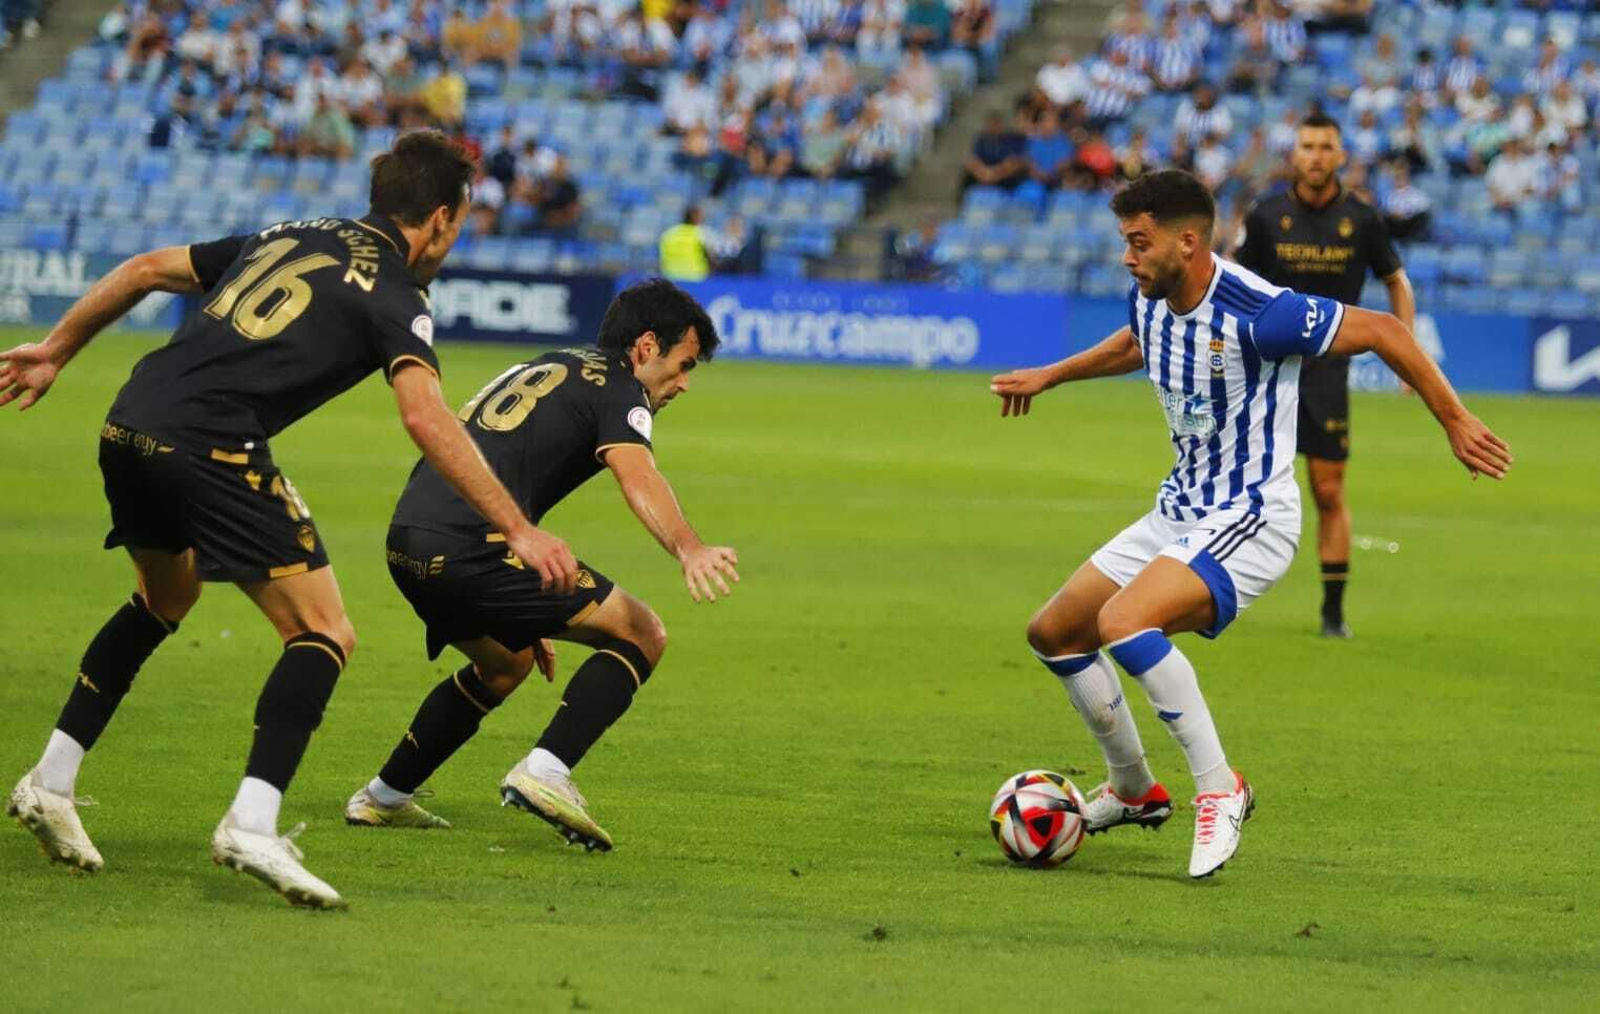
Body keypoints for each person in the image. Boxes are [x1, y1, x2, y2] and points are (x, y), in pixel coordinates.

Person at [0, 131, 580, 909]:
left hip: (130, 420)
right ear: (441, 218)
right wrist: (519, 528)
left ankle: (51, 780)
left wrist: (54, 351)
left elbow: (144, 270)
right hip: (209, 442)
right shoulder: (396, 290)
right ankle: (251, 824)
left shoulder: (290, 232)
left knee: (166, 597)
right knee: (323, 631)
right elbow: (425, 416)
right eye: (462, 221)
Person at [988, 169, 1510, 879]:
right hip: (1179, 509)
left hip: (1251, 515)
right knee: (1054, 633)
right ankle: (1135, 791)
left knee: (1125, 623)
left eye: (1138, 242)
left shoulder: (1260, 312)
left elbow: (1385, 330)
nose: (1127, 257)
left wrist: (1455, 420)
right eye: (1126, 242)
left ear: (1188, 242)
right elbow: (1140, 342)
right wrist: (1050, 374)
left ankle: (1219, 788)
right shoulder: (1151, 292)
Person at [345, 279, 736, 850]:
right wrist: (689, 547)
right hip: (471, 547)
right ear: (646, 346)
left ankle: (383, 797)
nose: (683, 384)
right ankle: (546, 770)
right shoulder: (620, 387)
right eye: (683, 365)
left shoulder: (554, 363)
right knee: (642, 632)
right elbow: (638, 476)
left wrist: (518, 607)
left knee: (506, 664)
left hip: (409, 542)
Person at [1233, 113, 1416, 639]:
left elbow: (1396, 281)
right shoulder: (1266, 216)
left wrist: (1407, 353)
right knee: (1240, 487)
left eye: (1325, 147)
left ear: (1341, 155)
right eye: (1307, 146)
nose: (1315, 155)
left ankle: (1333, 614)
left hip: (1327, 374)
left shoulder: (1362, 218)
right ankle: (1214, 593)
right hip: (1267, 370)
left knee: (1328, 491)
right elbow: (1235, 283)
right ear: (1295, 154)